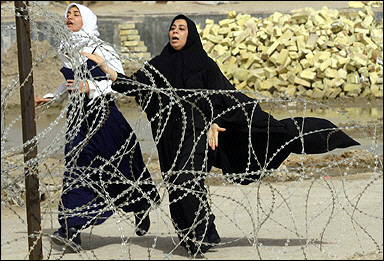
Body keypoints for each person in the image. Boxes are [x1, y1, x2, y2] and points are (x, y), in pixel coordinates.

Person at [82, 14, 360, 256]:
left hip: (198, 133)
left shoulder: (203, 64)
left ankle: (196, 240)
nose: (174, 32)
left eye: (181, 28)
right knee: (179, 185)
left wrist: (214, 121)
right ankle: (205, 233)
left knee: (186, 182)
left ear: (190, 34)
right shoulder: (159, 65)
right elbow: (138, 87)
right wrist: (109, 72)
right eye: (172, 28)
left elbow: (223, 97)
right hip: (169, 137)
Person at [35, 3, 160, 252]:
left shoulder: (101, 48)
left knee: (121, 165)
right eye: (67, 14)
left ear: (88, 19)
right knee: (77, 169)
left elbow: (119, 83)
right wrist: (53, 96)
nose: (69, 17)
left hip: (104, 116)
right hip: (79, 117)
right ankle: (71, 228)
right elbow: (71, 83)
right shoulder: (67, 48)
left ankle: (140, 204)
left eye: (75, 13)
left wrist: (91, 88)